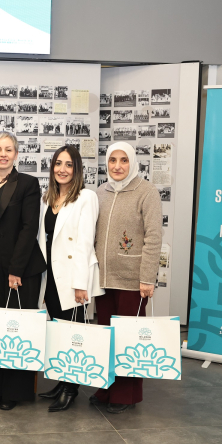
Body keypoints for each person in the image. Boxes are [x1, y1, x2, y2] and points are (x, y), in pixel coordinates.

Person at [91, 141, 162, 414]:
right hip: (104, 279)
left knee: (128, 340)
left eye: (123, 160)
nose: (117, 166)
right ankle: (106, 388)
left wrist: (148, 278)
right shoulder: (101, 192)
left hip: (133, 280)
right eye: (112, 160)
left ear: (132, 162)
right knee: (107, 337)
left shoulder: (146, 192)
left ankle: (125, 394)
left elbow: (154, 237)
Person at [0, 132, 46, 410]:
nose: (3, 154)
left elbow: (30, 228)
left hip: (21, 268)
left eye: (8, 149)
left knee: (17, 329)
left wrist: (16, 269)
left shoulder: (28, 183)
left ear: (16, 154)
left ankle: (15, 391)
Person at [37, 146, 104, 412]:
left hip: (72, 277)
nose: (62, 169)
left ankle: (71, 388)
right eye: (58, 163)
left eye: (68, 165)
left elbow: (85, 243)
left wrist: (80, 284)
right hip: (50, 276)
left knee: (73, 333)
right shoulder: (47, 198)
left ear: (77, 169)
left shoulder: (86, 197)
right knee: (59, 331)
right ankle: (62, 381)